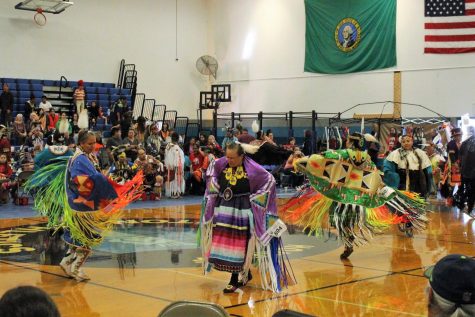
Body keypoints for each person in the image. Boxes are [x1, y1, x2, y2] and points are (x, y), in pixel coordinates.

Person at [284, 133, 428, 259]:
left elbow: (321, 159)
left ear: (350, 142)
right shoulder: (367, 158)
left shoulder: (341, 154)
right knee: (351, 219)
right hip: (358, 198)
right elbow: (375, 175)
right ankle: (352, 236)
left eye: (347, 141)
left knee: (340, 220)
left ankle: (348, 242)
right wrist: (381, 187)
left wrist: (301, 160)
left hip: (341, 196)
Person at [25, 130, 143, 282]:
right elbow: (80, 182)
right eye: (89, 143)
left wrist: (104, 179)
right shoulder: (80, 159)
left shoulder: (83, 157)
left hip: (81, 204)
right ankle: (75, 268)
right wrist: (101, 182)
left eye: (94, 143)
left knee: (78, 237)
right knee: (86, 238)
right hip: (82, 205)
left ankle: (67, 262)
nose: (93, 146)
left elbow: (90, 177)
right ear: (81, 143)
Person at [200, 143, 295, 293]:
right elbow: (211, 172)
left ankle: (233, 280)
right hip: (225, 207)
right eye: (227, 156)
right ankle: (246, 272)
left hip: (243, 209)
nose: (229, 160)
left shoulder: (253, 168)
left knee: (238, 243)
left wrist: (254, 200)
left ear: (241, 156)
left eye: (232, 158)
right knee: (226, 242)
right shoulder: (221, 164)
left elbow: (270, 181)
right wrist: (215, 188)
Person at [441, 128, 463, 205]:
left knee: (460, 183)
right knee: (451, 183)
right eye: (456, 136)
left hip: (461, 166)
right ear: (453, 136)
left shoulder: (461, 143)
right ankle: (449, 199)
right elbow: (452, 155)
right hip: (453, 166)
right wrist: (455, 165)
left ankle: (458, 198)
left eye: (459, 135)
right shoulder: (451, 144)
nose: (458, 137)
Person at [458, 126, 475, 216]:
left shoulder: (464, 143)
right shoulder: (466, 143)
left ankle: (462, 206)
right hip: (471, 172)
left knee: (465, 190)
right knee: (471, 191)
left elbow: (460, 157)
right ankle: (470, 209)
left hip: (464, 171)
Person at [164, 132, 185, 198]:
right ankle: (175, 193)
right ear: (178, 139)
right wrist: (177, 166)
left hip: (169, 166)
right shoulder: (175, 147)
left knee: (170, 179)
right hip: (175, 167)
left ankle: (171, 193)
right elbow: (177, 158)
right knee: (175, 179)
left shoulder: (168, 146)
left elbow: (166, 156)